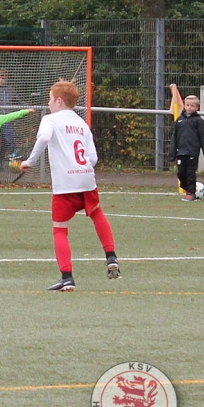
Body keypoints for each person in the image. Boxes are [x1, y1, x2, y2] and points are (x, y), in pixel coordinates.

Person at [20, 80, 121, 292]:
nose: (48, 103)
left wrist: (29, 161)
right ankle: (111, 256)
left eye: (50, 99)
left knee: (60, 230)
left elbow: (44, 138)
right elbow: (93, 158)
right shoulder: (81, 123)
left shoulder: (50, 120)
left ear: (59, 101)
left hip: (65, 183)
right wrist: (81, 168)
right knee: (97, 214)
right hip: (86, 178)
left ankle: (67, 277)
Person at [168, 94, 204, 201]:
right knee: (181, 173)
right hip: (181, 152)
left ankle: (191, 193)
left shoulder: (198, 121)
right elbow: (175, 137)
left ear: (197, 107)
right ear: (184, 105)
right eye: (187, 105)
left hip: (192, 152)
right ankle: (187, 188)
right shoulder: (180, 120)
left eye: (192, 106)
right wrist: (172, 153)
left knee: (190, 173)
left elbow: (203, 138)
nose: (189, 107)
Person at [0, 69, 22, 166]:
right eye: (0, 78)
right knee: (6, 138)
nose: (2, 80)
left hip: (7, 118)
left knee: (5, 141)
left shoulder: (11, 90)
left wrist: (27, 106)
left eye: (4, 78)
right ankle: (12, 152)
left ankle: (0, 161)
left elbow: (17, 101)